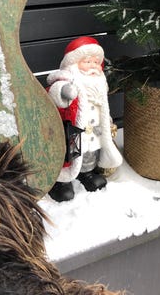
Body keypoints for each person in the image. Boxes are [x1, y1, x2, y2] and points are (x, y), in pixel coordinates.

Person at [47, 36, 123, 202]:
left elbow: (102, 106)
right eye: (87, 61)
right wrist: (65, 92)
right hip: (71, 129)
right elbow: (55, 93)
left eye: (96, 62)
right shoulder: (66, 79)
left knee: (90, 153)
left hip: (93, 131)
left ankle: (86, 173)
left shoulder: (100, 82)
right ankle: (62, 181)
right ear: (73, 63)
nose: (93, 66)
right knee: (69, 155)